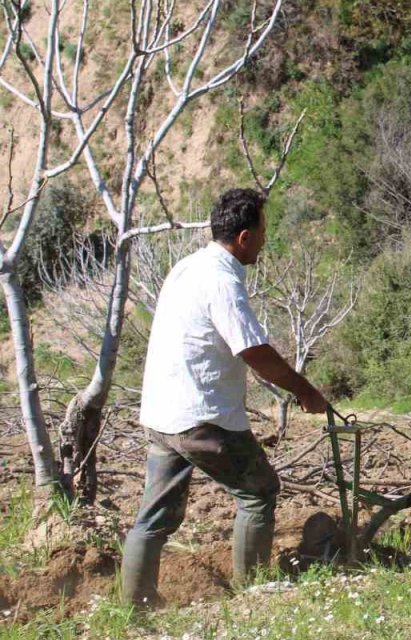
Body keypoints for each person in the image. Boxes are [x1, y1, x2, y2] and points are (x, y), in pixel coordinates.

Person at [120, 188, 328, 607]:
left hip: (162, 415)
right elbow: (253, 351)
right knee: (259, 491)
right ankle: (251, 594)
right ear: (245, 237)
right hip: (202, 418)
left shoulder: (187, 267)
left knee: (154, 517)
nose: (265, 242)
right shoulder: (222, 279)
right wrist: (305, 390)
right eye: (263, 233)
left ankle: (135, 607)